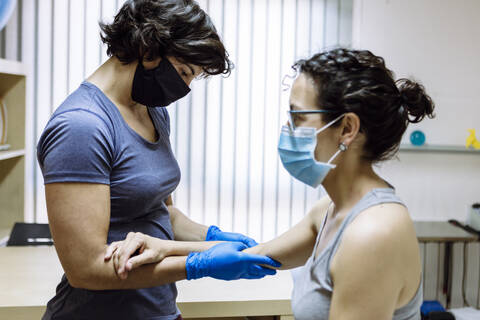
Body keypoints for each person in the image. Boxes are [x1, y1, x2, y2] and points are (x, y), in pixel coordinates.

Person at [110, 48, 435, 320]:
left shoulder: (373, 233)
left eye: (297, 118)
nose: (287, 129)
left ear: (346, 128)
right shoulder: (329, 210)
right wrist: (163, 247)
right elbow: (260, 254)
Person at [36, 1, 279, 319]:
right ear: (149, 50)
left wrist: (212, 236)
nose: (186, 87)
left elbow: (162, 212)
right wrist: (200, 262)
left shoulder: (152, 111)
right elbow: (87, 269)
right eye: (184, 73)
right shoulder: (82, 126)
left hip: (158, 309)